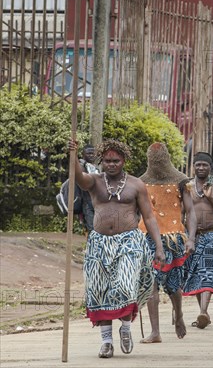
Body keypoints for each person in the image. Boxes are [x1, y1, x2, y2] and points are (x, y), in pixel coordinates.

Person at [68, 138, 165, 359]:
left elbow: (149, 217)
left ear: (124, 161)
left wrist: (159, 247)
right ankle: (106, 342)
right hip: (100, 243)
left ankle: (125, 328)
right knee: (99, 290)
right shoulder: (94, 181)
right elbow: (79, 178)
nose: (111, 165)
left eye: (116, 161)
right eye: (108, 161)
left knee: (125, 285)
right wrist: (73, 156)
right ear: (102, 161)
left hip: (129, 242)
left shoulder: (135, 185)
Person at [138, 143, 197, 343]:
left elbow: (190, 211)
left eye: (160, 161)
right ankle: (155, 332)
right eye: (154, 162)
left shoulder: (181, 180)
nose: (158, 165)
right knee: (150, 283)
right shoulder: (141, 182)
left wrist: (191, 238)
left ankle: (178, 314)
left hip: (173, 238)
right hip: (146, 238)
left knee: (173, 285)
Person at [181, 152, 213, 329]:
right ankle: (204, 312)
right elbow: (180, 213)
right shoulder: (186, 186)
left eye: (205, 165)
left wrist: (211, 198)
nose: (201, 168)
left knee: (208, 273)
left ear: (211, 168)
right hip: (190, 237)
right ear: (193, 167)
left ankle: (203, 311)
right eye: (198, 165)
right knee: (195, 275)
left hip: (211, 235)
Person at [80, 144, 98, 232]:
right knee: (92, 229)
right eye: (88, 153)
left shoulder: (97, 167)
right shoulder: (82, 166)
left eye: (93, 153)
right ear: (83, 154)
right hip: (87, 201)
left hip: (98, 202)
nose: (91, 155)